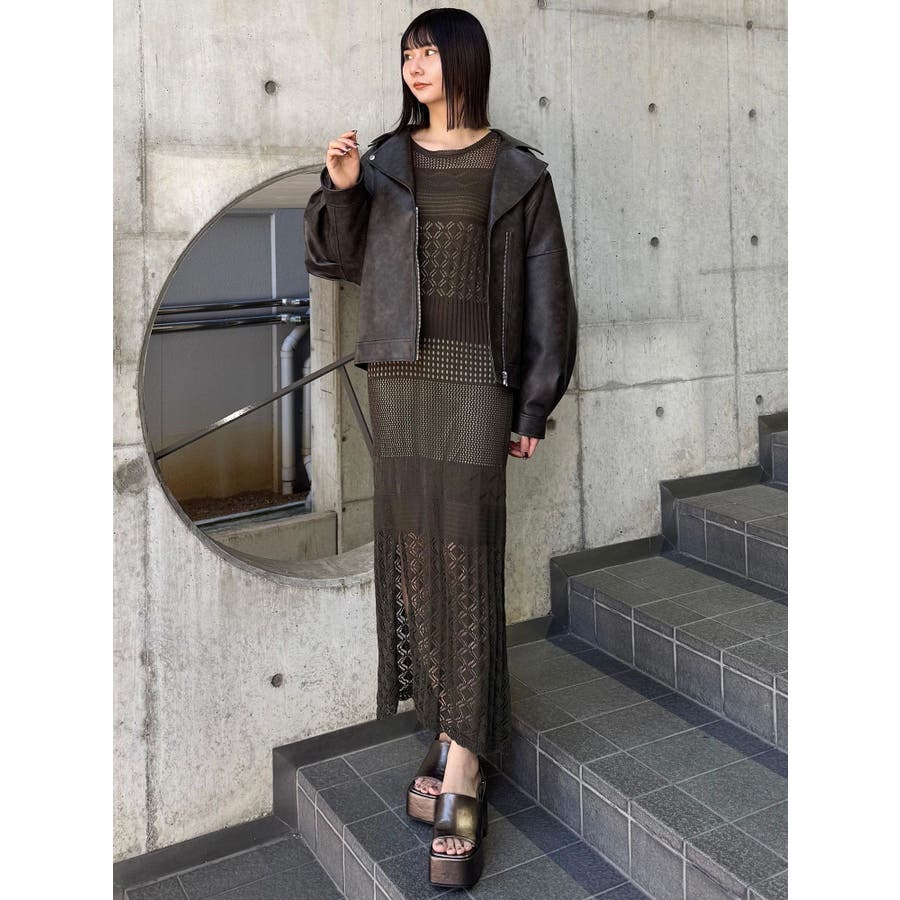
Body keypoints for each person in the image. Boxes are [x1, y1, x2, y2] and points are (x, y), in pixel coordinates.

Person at [304, 7, 577, 888]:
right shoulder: (385, 160)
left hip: (474, 387)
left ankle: (463, 765)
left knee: (466, 557)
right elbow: (336, 260)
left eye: (429, 52)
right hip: (402, 380)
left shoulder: (517, 170)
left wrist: (533, 407)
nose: (415, 66)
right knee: (418, 555)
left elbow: (549, 295)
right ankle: (458, 725)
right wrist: (342, 189)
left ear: (465, 61)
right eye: (407, 54)